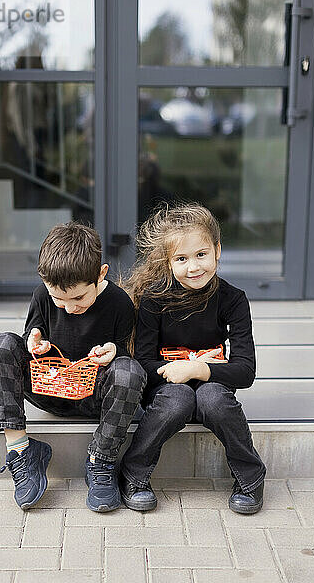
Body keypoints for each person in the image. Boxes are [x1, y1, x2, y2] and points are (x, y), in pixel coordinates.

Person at [0, 222, 146, 512]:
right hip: (49, 388)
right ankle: (21, 450)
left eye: (79, 298)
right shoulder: (42, 295)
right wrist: (35, 341)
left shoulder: (119, 303)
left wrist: (114, 351)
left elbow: (122, 351)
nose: (69, 308)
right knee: (0, 345)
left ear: (101, 274)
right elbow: (33, 334)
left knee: (129, 371)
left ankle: (101, 460)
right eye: (58, 299)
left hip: (94, 396)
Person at [119, 202, 266, 514]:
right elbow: (143, 361)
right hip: (167, 386)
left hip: (213, 381)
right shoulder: (153, 300)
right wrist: (177, 371)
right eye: (182, 259)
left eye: (201, 254)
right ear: (169, 261)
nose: (194, 266)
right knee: (178, 401)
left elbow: (245, 370)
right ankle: (134, 473)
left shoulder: (233, 300)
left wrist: (198, 368)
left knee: (214, 400)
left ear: (217, 250)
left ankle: (250, 477)